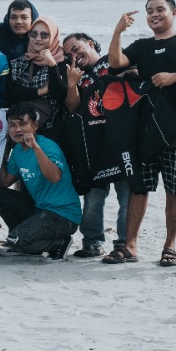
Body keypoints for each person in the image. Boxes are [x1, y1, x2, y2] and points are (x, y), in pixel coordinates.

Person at [106, 0, 176, 267]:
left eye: (160, 9)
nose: (154, 14)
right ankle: (129, 246)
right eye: (149, 10)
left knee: (174, 187)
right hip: (147, 126)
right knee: (140, 187)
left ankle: (170, 246)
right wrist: (118, 31)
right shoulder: (142, 46)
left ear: (174, 12)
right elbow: (114, 64)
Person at [59, 32, 129, 260]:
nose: (74, 55)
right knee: (93, 199)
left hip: (122, 140)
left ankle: (124, 244)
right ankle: (92, 242)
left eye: (77, 48)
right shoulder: (76, 75)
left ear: (90, 43)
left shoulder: (113, 59)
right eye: (69, 53)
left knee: (126, 196)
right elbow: (72, 108)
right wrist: (71, 84)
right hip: (93, 145)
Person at [0, 102, 82, 259]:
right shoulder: (18, 151)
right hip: (39, 209)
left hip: (63, 215)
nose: (17, 129)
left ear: (35, 125)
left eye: (23, 124)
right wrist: (2, 148)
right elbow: (5, 182)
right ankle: (19, 235)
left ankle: (60, 242)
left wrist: (35, 147)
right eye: (12, 125)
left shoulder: (48, 147)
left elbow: (54, 177)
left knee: (17, 241)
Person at [6, 17, 68, 129]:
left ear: (53, 36)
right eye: (33, 34)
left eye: (44, 35)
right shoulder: (20, 62)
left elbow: (60, 94)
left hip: (52, 126)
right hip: (20, 127)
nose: (37, 39)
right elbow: (11, 92)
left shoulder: (62, 62)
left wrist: (52, 65)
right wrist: (40, 92)